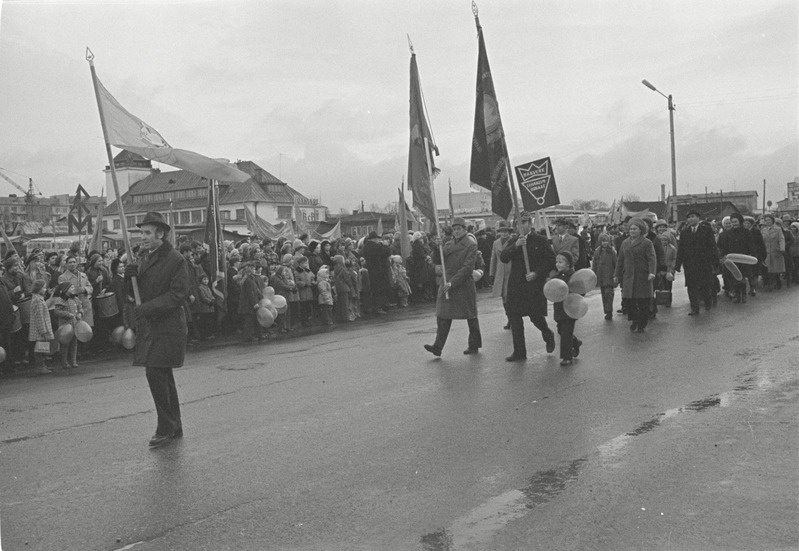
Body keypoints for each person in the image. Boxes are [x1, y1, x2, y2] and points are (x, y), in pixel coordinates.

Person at [124, 212, 190, 448]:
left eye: (147, 233)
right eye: (141, 232)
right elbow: (134, 295)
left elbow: (178, 295)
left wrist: (148, 309)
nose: (142, 237)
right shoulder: (143, 258)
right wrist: (127, 278)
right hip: (151, 325)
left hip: (168, 326)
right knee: (161, 375)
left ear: (160, 234)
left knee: (156, 373)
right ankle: (174, 425)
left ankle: (166, 427)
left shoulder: (175, 259)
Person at [499, 212, 556, 361]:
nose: (521, 226)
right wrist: (516, 246)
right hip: (516, 285)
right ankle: (519, 352)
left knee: (535, 317)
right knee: (515, 318)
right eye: (518, 223)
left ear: (530, 224)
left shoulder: (540, 240)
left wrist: (537, 273)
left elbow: (550, 260)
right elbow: (503, 257)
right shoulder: (514, 240)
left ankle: (547, 333)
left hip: (533, 285)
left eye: (524, 223)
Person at [423, 218, 482, 357]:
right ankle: (438, 346)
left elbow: (467, 268)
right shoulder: (448, 243)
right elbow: (438, 260)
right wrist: (437, 247)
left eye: (459, 229)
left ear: (464, 229)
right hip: (447, 281)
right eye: (454, 229)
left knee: (470, 315)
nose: (456, 231)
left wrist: (453, 283)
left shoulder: (471, 244)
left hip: (463, 284)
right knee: (443, 314)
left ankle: (474, 345)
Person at [614, 217, 656, 332]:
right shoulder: (625, 243)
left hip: (642, 276)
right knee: (630, 301)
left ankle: (642, 324)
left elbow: (652, 259)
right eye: (631, 229)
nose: (632, 231)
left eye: (635, 229)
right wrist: (616, 275)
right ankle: (634, 320)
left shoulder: (647, 243)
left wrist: (652, 272)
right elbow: (620, 260)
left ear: (640, 230)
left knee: (643, 302)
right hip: (628, 276)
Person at [674, 209, 719, 315]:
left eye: (693, 216)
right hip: (690, 264)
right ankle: (694, 308)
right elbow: (681, 249)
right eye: (689, 217)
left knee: (705, 285)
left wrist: (715, 262)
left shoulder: (706, 230)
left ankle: (708, 302)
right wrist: (677, 264)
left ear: (698, 218)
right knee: (691, 286)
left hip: (704, 263)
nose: (691, 219)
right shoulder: (684, 232)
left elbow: (712, 247)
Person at [550, 252, 582, 366]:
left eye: (561, 261)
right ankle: (575, 342)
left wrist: (572, 293)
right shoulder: (555, 277)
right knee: (560, 330)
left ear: (568, 264)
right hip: (559, 308)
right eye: (557, 261)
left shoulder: (574, 277)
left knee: (566, 332)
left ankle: (566, 357)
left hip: (571, 308)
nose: (558, 264)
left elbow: (581, 291)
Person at [717, 213, 754, 304]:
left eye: (735, 222)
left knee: (743, 277)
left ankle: (744, 295)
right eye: (732, 222)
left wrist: (751, 256)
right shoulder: (728, 233)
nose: (734, 224)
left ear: (740, 221)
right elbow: (724, 247)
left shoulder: (746, 232)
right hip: (732, 259)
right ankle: (737, 295)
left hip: (743, 258)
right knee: (735, 277)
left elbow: (751, 245)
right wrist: (724, 256)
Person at [53, 281, 82, 369]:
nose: (73, 289)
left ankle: (73, 361)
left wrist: (80, 313)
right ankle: (64, 362)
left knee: (74, 343)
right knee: (65, 343)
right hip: (65, 325)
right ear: (66, 289)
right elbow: (57, 311)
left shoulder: (75, 298)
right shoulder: (60, 299)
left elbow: (80, 307)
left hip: (74, 323)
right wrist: (67, 314)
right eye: (71, 288)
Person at [489, 221, 513, 329]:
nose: (504, 234)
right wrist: (491, 274)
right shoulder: (496, 243)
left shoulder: (514, 241)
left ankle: (513, 319)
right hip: (500, 273)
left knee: (510, 297)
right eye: (502, 231)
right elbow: (493, 259)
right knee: (504, 298)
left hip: (511, 272)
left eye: (506, 231)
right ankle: (509, 319)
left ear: (509, 232)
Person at [28, 279, 54, 375]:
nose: (45, 289)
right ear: (38, 288)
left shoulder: (39, 298)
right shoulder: (37, 300)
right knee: (39, 348)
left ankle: (43, 365)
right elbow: (39, 316)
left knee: (43, 347)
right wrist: (43, 330)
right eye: (43, 287)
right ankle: (40, 367)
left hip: (42, 327)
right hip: (40, 329)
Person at [592, 233, 617, 320]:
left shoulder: (612, 251)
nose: (605, 243)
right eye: (603, 241)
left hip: (610, 276)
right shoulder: (597, 251)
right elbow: (594, 264)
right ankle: (606, 311)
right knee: (604, 295)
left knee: (609, 294)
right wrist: (594, 274)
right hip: (601, 276)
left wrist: (616, 275)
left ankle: (609, 311)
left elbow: (616, 263)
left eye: (606, 241)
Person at [760, 214, 785, 291]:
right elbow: (761, 241)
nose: (767, 222)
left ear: (772, 221)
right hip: (766, 252)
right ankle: (769, 284)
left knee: (776, 268)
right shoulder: (763, 230)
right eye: (766, 220)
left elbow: (781, 239)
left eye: (769, 220)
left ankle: (778, 282)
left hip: (775, 251)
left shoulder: (778, 229)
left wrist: (782, 248)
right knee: (768, 269)